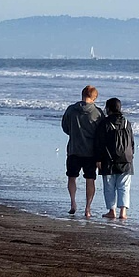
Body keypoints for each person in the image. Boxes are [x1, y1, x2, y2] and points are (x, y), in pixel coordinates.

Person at [61, 85, 102, 217]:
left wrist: (74, 133)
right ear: (94, 98)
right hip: (90, 152)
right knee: (90, 179)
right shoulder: (97, 113)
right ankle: (88, 208)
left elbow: (65, 127)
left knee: (71, 177)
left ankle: (73, 202)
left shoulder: (71, 109)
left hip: (74, 149)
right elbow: (101, 134)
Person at [96, 97, 135, 221]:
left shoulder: (105, 123)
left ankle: (111, 211)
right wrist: (131, 156)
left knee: (109, 186)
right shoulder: (126, 122)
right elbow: (132, 142)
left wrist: (98, 159)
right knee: (124, 186)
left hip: (108, 160)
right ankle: (123, 212)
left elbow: (99, 143)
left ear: (108, 109)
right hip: (126, 160)